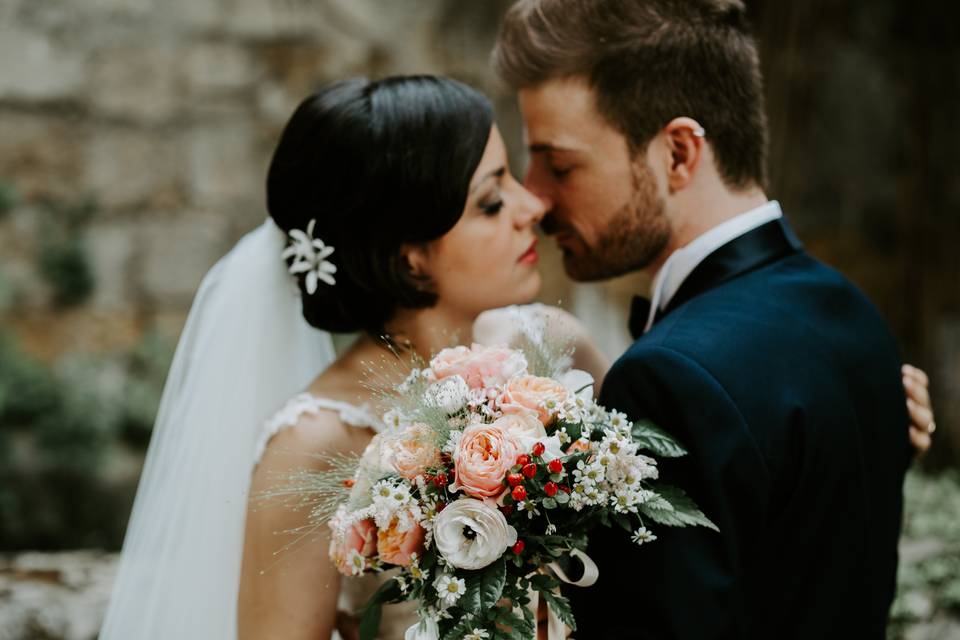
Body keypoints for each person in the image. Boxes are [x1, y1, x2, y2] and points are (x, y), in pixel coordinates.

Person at [100, 71, 934, 638]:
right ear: (410, 255)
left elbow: (688, 482)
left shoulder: (552, 347)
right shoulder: (314, 445)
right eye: (491, 199)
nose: (534, 205)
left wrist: (852, 404)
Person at [493, 0, 930, 637]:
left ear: (678, 153)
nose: (534, 196)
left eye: (560, 164)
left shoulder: (670, 379)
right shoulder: (855, 314)